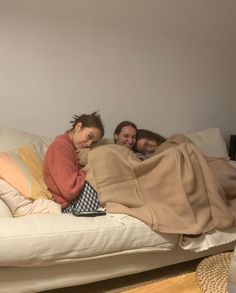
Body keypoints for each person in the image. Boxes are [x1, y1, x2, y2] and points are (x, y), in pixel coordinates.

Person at [43, 112, 104, 214]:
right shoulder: (61, 146)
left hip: (77, 201)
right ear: (78, 127)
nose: (89, 144)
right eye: (89, 136)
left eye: (94, 143)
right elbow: (70, 190)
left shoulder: (73, 148)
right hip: (72, 206)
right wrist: (88, 167)